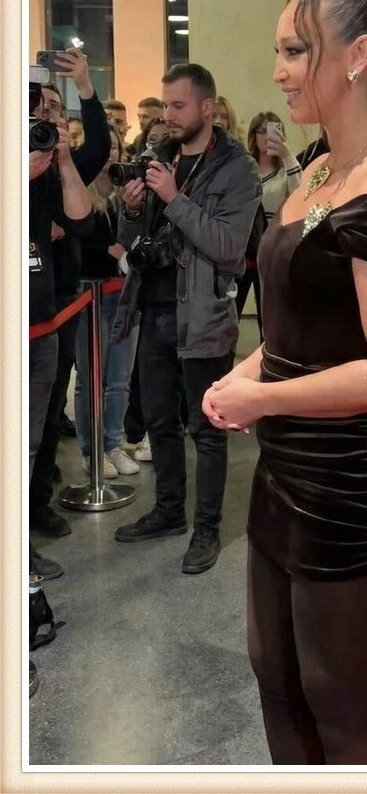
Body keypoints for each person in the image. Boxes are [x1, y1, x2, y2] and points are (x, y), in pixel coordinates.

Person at [202, 0, 367, 765]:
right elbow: (300, 326)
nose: (279, 71)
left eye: (296, 51)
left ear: (358, 55)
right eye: (279, 50)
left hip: (354, 483)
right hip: (288, 468)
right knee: (278, 679)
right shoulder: (318, 172)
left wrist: (262, 397)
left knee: (341, 701)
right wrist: (244, 374)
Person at [112, 63, 261, 575]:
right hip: (153, 308)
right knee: (159, 421)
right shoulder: (159, 155)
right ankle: (169, 511)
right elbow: (131, 240)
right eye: (166, 105)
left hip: (203, 314)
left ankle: (207, 529)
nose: (169, 115)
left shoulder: (237, 169)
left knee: (207, 427)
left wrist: (174, 199)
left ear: (207, 108)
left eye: (179, 106)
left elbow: (227, 247)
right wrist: (134, 209)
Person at [29, 51, 112, 540]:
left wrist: (85, 86)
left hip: (56, 303)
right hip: (27, 309)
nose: (46, 116)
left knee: (44, 412)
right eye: (37, 107)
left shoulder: (60, 165)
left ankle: (37, 502)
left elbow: (98, 146)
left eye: (53, 108)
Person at [74, 126, 141, 479]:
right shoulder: (79, 192)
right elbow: (78, 247)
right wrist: (111, 252)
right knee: (90, 379)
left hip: (124, 294)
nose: (111, 153)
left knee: (119, 379)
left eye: (116, 146)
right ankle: (91, 450)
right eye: (106, 146)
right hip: (90, 295)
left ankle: (113, 443)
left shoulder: (125, 195)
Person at [236, 112, 302, 341]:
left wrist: (287, 154)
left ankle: (268, 357)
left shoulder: (285, 171)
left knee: (269, 318)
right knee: (232, 313)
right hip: (242, 253)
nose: (267, 137)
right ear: (254, 136)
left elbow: (301, 194)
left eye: (273, 130)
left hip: (271, 251)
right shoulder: (244, 168)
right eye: (262, 131)